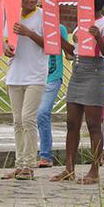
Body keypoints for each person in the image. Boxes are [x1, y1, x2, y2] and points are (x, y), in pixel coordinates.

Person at [56, 0, 104, 184]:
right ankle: (69, 168)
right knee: (72, 123)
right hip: (77, 71)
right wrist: (59, 40)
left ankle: (94, 170)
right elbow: (73, 50)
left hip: (95, 71)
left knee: (94, 125)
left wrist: (97, 37)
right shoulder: (80, 24)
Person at [2, 0, 47, 181]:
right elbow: (5, 43)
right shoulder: (12, 16)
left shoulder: (44, 16)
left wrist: (29, 33)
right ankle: (19, 164)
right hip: (15, 75)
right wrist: (5, 49)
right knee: (17, 121)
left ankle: (29, 164)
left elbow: (49, 44)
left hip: (36, 75)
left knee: (28, 118)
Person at [36, 21, 70, 169]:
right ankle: (28, 156)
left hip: (52, 76)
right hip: (34, 75)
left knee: (42, 113)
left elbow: (69, 54)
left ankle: (45, 155)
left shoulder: (60, 28)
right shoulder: (33, 25)